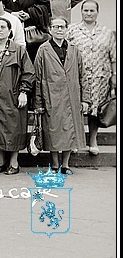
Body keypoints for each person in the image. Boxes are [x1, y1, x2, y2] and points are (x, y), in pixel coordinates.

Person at [33, 17, 87, 175]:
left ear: (67, 29)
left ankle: (66, 164)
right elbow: (37, 77)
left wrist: (85, 99)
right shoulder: (43, 50)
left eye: (62, 27)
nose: (59, 30)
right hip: (51, 96)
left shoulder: (74, 49)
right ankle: (55, 164)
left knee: (70, 131)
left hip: (71, 96)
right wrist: (38, 103)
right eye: (55, 27)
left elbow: (82, 75)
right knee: (54, 131)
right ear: (50, 29)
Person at [0, 17, 34, 175]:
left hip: (12, 95)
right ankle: (1, 161)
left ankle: (14, 162)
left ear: (9, 30)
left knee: (13, 128)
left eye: (2, 27)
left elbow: (29, 72)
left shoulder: (18, 50)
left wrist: (23, 92)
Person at [67, 0, 116, 156]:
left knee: (95, 109)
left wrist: (115, 76)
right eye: (85, 10)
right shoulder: (72, 30)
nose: (88, 13)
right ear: (81, 12)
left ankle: (93, 140)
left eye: (92, 10)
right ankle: (75, 141)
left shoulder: (106, 32)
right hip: (78, 76)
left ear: (97, 12)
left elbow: (113, 56)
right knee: (77, 108)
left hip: (100, 77)